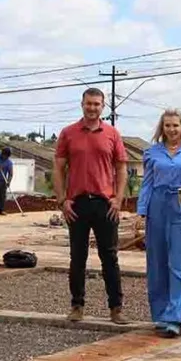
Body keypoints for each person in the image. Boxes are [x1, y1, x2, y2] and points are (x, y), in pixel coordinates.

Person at [54, 88, 129, 325]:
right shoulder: (68, 133)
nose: (92, 108)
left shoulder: (112, 134)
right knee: (77, 257)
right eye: (89, 103)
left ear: (103, 106)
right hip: (77, 204)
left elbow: (121, 168)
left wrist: (118, 198)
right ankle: (77, 305)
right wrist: (62, 200)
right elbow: (58, 168)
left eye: (97, 104)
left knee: (110, 257)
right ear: (82, 104)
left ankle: (116, 308)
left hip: (104, 204)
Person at [137, 109, 181, 338]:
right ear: (162, 128)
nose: (171, 130)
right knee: (156, 263)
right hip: (157, 207)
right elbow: (147, 184)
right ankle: (160, 315)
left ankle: (174, 317)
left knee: (178, 264)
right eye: (167, 125)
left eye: (175, 126)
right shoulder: (152, 153)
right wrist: (141, 211)